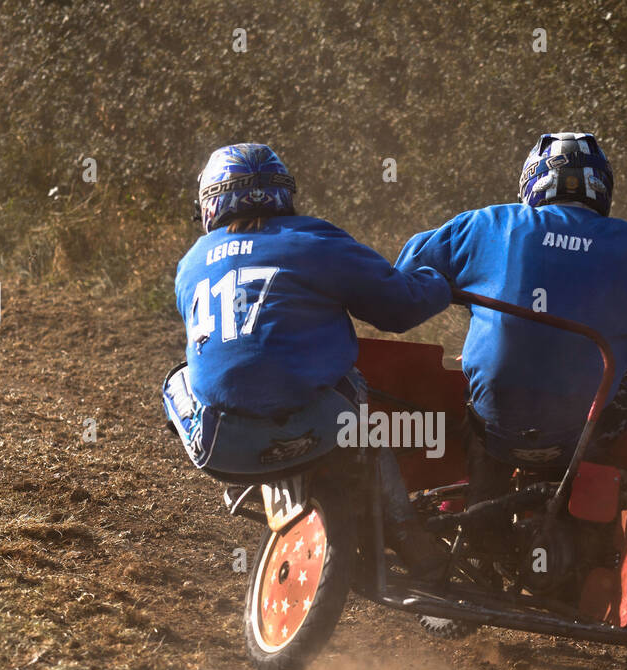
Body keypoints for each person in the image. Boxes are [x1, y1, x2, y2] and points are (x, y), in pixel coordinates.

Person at [395, 131, 627, 503]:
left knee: (485, 393)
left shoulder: (486, 224)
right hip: (581, 432)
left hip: (494, 427)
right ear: (601, 186)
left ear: (531, 181)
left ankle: (484, 505)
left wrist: (462, 291)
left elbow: (403, 277)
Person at [164, 143, 450, 574]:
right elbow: (401, 309)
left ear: (211, 201)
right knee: (358, 389)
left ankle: (248, 484)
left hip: (221, 445)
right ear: (283, 192)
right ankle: (405, 529)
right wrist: (441, 279)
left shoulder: (190, 264)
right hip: (320, 426)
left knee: (178, 379)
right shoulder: (315, 239)